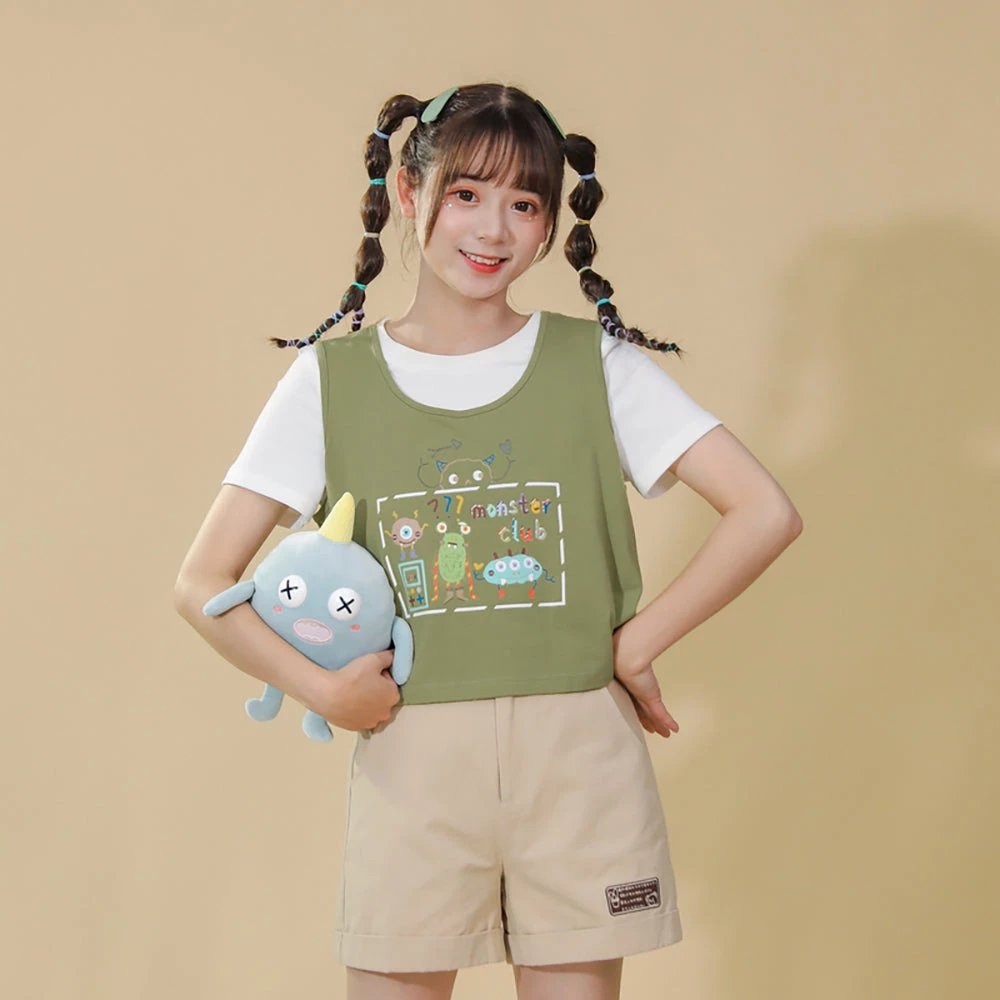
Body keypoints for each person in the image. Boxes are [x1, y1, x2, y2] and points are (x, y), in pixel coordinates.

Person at [173, 82, 803, 1000]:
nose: (494, 229)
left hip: (579, 761)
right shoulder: (330, 382)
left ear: (551, 223)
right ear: (409, 190)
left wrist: (635, 643)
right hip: (411, 766)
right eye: (467, 193)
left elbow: (764, 512)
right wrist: (324, 690)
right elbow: (202, 582)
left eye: (525, 204)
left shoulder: (595, 365)